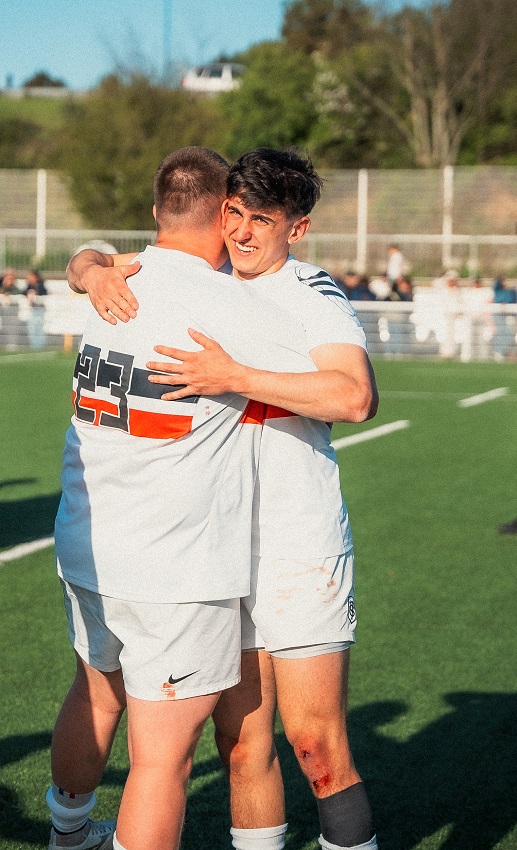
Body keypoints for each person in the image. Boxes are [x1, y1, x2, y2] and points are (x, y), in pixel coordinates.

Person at [69, 147, 379, 850]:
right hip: (215, 546)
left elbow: (354, 395)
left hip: (296, 542)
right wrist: (90, 268)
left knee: (315, 748)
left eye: (260, 221)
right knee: (241, 746)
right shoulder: (207, 277)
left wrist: (232, 374)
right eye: (233, 213)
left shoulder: (312, 294)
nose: (240, 233)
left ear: (294, 230)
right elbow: (98, 252)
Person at [24, 269, 48, 349]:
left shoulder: (41, 285)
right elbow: (23, 292)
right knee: (32, 328)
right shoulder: (29, 286)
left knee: (39, 328)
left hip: (40, 310)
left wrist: (35, 294)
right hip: (31, 310)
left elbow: (44, 293)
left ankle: (39, 345)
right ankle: (33, 345)